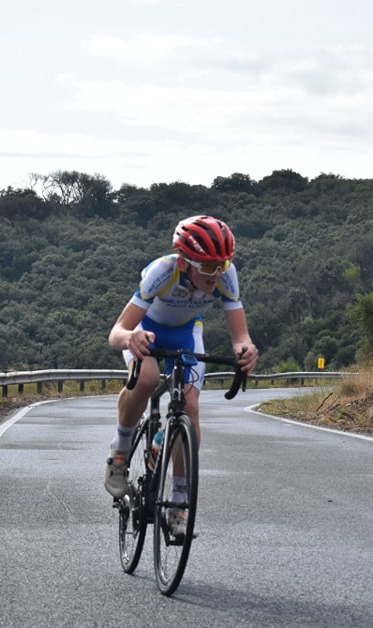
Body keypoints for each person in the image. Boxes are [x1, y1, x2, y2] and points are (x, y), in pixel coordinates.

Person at [104, 215, 258, 526]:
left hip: (188, 332)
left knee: (189, 407)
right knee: (146, 379)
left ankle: (179, 500)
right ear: (185, 262)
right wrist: (131, 338)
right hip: (145, 332)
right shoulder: (163, 272)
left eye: (222, 264)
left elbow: (240, 337)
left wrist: (246, 350)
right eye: (208, 267)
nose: (216, 274)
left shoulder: (227, 277)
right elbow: (116, 332)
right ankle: (120, 452)